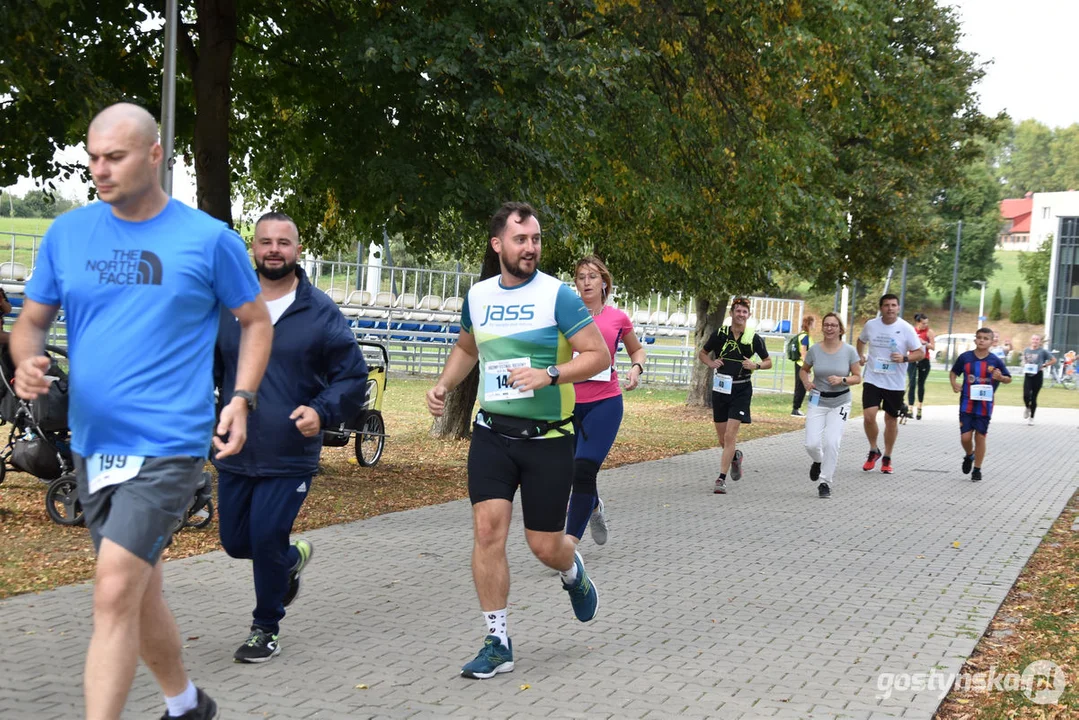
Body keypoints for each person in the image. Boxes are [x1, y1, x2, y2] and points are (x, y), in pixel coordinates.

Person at [10, 103, 273, 720]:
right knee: (140, 591)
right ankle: (186, 705)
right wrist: (25, 361)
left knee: (112, 592)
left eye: (115, 157)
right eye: (92, 158)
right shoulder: (68, 235)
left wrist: (241, 397)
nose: (99, 170)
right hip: (93, 445)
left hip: (169, 444)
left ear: (156, 155)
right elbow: (30, 323)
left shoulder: (207, 240)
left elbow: (255, 321)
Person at [425, 202, 608, 679]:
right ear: (497, 244)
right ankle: (497, 641)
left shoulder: (558, 296)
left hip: (548, 439)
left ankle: (573, 571)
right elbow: (467, 347)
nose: (531, 247)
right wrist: (444, 384)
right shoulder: (479, 296)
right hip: (492, 434)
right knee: (487, 532)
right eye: (521, 239)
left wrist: (550, 374)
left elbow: (597, 354)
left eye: (536, 239)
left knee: (544, 545)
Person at [214, 211, 369, 663]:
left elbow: (353, 377)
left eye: (284, 242)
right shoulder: (231, 308)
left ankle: (265, 628)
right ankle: (292, 557)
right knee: (235, 542)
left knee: (264, 537)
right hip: (236, 449)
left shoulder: (319, 311)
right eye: (266, 242)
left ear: (297, 250)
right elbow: (209, 371)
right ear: (254, 250)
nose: (274, 249)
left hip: (290, 451)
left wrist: (320, 413)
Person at [566, 255, 646, 547]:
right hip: (567, 405)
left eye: (592, 276)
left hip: (605, 404)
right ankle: (595, 507)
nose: (586, 282)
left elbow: (637, 351)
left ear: (604, 282)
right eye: (580, 277)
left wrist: (636, 369)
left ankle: (568, 546)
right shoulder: (566, 315)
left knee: (584, 469)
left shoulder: (617, 318)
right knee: (569, 474)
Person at [697, 297, 772, 494]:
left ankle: (721, 479)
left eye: (744, 312)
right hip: (721, 389)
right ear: (732, 313)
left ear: (749, 315)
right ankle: (735, 457)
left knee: (731, 435)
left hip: (741, 389)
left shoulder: (753, 338)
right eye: (737, 311)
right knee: (723, 440)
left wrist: (755, 365)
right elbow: (703, 353)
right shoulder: (720, 334)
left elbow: (768, 362)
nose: (741, 315)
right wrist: (711, 363)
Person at [855, 294, 924, 474]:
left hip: (894, 382)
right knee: (869, 416)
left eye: (893, 305)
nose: (890, 308)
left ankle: (887, 456)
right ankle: (873, 450)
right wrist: (860, 356)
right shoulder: (871, 325)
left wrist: (904, 358)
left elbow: (920, 353)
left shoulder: (906, 328)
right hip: (873, 378)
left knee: (890, 420)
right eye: (886, 305)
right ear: (881, 308)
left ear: (898, 308)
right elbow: (861, 340)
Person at [799, 313, 862, 498]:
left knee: (832, 442)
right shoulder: (815, 350)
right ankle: (818, 461)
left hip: (840, 402)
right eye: (826, 325)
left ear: (840, 329)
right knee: (811, 444)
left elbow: (858, 377)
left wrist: (842, 379)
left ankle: (825, 482)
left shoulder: (849, 351)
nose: (829, 328)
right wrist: (806, 382)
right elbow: (804, 370)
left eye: (833, 325)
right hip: (818, 400)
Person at [950, 327, 1012, 482]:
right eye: (979, 337)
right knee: (965, 437)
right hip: (967, 402)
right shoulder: (965, 357)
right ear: (975, 339)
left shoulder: (995, 360)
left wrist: (1001, 378)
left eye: (986, 338)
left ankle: (977, 469)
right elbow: (953, 372)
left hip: (985, 405)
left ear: (991, 342)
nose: (982, 340)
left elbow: (1008, 378)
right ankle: (969, 454)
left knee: (980, 436)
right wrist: (954, 383)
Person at [1020, 334, 1055, 425]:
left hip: (1038, 375)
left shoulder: (1043, 351)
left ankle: (1031, 418)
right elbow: (1025, 359)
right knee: (1026, 395)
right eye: (1033, 339)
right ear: (1031, 340)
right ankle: (1027, 407)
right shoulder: (1027, 350)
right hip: (1028, 375)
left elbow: (1053, 360)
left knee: (1034, 397)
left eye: (1037, 339)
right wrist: (1024, 364)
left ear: (1039, 341)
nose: (1035, 341)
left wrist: (1044, 365)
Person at [906, 313, 935, 420]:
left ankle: (919, 408)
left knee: (920, 384)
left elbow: (933, 347)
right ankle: (910, 408)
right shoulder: (912, 331)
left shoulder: (929, 332)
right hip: (913, 359)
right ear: (918, 322)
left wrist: (924, 343)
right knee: (911, 383)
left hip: (924, 360)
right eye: (923, 323)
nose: (925, 325)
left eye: (926, 323)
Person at [790, 315, 815, 417]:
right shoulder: (805, 336)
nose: (815, 325)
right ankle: (796, 409)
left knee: (801, 386)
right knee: (802, 387)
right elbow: (803, 351)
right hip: (802, 365)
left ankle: (797, 408)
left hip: (800, 364)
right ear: (810, 323)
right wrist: (806, 367)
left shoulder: (802, 335)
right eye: (814, 322)